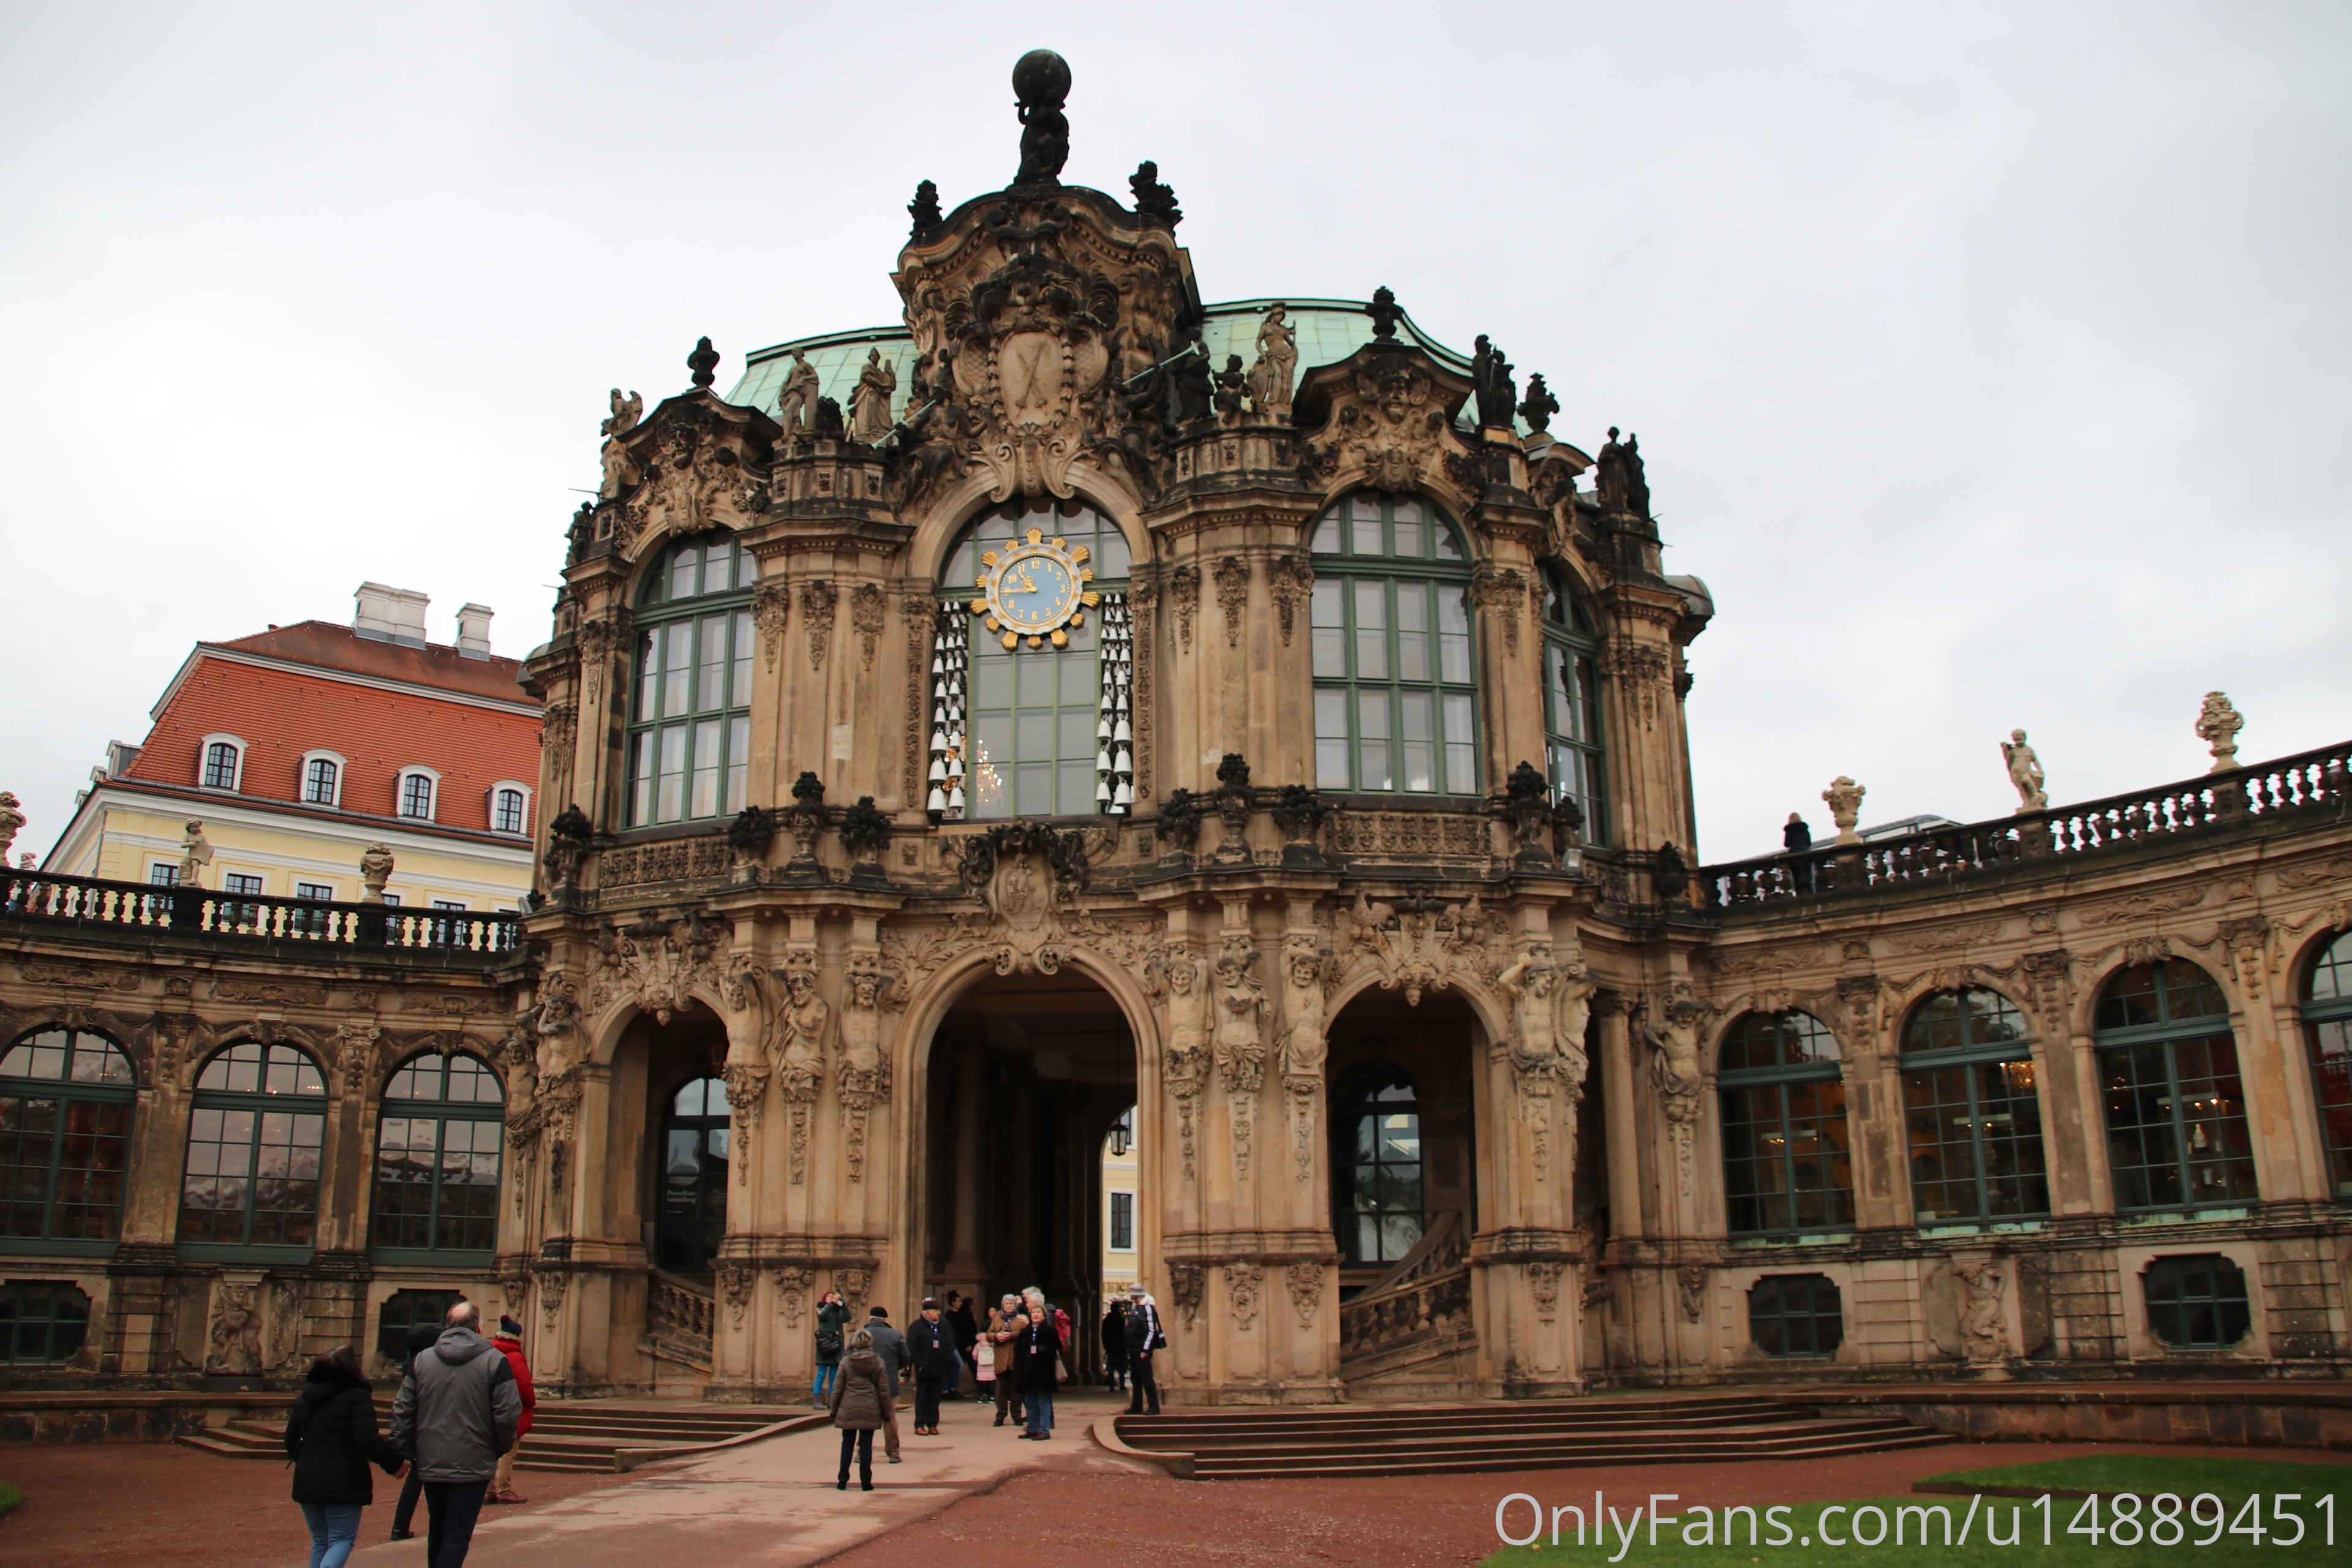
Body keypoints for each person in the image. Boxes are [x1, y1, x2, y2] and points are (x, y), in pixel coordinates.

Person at [389, 1300, 522, 1568]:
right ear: (479, 1327)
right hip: (473, 1459)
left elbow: (402, 1409)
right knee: (457, 1534)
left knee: (438, 1531)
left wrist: (408, 1450)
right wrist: (496, 1448)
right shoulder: (495, 1361)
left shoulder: (422, 1360)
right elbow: (508, 1414)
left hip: (432, 1457)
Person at [285, 1344, 405, 1568]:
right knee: (341, 1540)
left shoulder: (305, 1398)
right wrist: (395, 1463)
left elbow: (291, 1440)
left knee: (321, 1541)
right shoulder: (357, 1397)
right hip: (345, 1480)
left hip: (308, 1477)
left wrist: (309, 1460)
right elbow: (367, 1440)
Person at [387, 1321, 438, 1540]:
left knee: (416, 1480)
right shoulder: (424, 1365)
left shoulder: (411, 1364)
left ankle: (400, 1527)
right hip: (428, 1427)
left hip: (417, 1428)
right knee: (431, 1481)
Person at [827, 1329, 891, 1491]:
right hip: (870, 1407)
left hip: (848, 1406)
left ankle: (842, 1480)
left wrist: (833, 1410)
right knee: (866, 1445)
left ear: (854, 1343)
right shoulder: (877, 1362)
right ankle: (866, 1481)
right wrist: (887, 1413)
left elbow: (838, 1388)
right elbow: (883, 1390)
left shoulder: (846, 1361)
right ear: (869, 1343)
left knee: (847, 1444)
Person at [486, 1316, 536, 1504]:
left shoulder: (490, 1352)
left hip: (489, 1408)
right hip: (511, 1410)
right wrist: (530, 1403)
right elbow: (524, 1386)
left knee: (490, 1451)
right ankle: (503, 1489)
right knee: (508, 1451)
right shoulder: (514, 1356)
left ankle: (489, 1489)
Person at [863, 1305, 911, 1463]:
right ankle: (893, 1452)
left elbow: (848, 1356)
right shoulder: (895, 1335)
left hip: (865, 1383)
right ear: (885, 1320)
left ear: (870, 1318)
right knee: (889, 1418)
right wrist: (894, 1368)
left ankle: (863, 1452)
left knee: (865, 1418)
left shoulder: (861, 1334)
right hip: (888, 1382)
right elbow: (906, 1357)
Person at [1014, 1286, 1062, 1439]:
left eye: (1038, 1313)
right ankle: (1032, 1428)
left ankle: (1045, 1430)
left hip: (1043, 1372)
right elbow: (1018, 1350)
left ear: (1043, 1315)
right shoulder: (1026, 1331)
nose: (1035, 1315)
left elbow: (1057, 1348)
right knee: (1030, 1402)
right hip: (1028, 1371)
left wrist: (1046, 1350)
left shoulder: (1049, 1331)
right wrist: (1019, 1366)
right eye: (1033, 1312)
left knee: (1043, 1402)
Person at [907, 1298, 959, 1435]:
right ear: (927, 1312)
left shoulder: (943, 1325)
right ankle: (920, 1424)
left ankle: (933, 1423)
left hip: (939, 1367)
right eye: (936, 1311)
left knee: (935, 1397)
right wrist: (919, 1363)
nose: (938, 1313)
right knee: (922, 1397)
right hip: (924, 1368)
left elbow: (950, 1343)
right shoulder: (917, 1327)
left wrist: (946, 1358)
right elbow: (911, 1348)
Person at [984, 1293, 1027, 1427]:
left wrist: (1010, 1335)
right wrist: (997, 1336)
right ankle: (1000, 1415)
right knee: (1000, 1390)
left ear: (1015, 1305)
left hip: (1015, 1358)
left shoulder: (1021, 1319)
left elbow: (1025, 1334)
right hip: (1001, 1358)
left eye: (1011, 1303)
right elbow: (988, 1335)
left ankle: (1017, 1415)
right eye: (1006, 1304)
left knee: (1016, 1391)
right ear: (1002, 1306)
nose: (1009, 1306)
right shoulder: (997, 1318)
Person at [1125, 1283, 1166, 1415]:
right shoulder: (1136, 1308)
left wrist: (1146, 1350)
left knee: (1147, 1378)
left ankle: (1154, 1406)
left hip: (1141, 1349)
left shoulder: (1147, 1309)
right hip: (1133, 1348)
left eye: (1135, 1298)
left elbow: (1151, 1330)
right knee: (1135, 1378)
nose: (1134, 1301)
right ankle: (1136, 1405)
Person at [813, 1287, 850, 1405]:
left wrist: (843, 1304)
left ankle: (831, 1400)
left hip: (836, 1346)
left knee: (834, 1375)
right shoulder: (821, 1308)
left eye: (833, 1296)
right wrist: (832, 1304)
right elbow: (822, 1317)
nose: (831, 1298)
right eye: (829, 1296)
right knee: (821, 1374)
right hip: (825, 1345)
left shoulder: (838, 1311)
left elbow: (847, 1318)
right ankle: (817, 1399)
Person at [944, 1290, 979, 1400]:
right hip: (953, 1344)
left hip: (959, 1344)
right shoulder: (950, 1315)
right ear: (953, 1303)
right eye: (958, 1301)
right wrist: (966, 1343)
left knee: (955, 1366)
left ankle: (951, 1389)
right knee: (958, 1365)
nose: (960, 1303)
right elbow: (956, 1331)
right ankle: (948, 1389)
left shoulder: (959, 1314)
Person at [1101, 1298, 1129, 1393]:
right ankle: (1122, 1384)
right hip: (1120, 1346)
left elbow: (1104, 1334)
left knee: (1111, 1367)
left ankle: (1112, 1386)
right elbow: (1125, 1333)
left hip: (1111, 1347)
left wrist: (1106, 1345)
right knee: (1121, 1367)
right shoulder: (1121, 1320)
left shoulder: (1107, 1321)